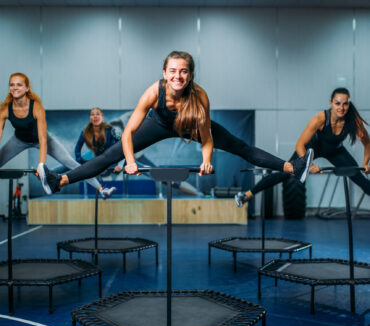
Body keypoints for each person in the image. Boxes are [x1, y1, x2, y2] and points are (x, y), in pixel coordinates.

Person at [41, 51, 313, 193]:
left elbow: (207, 137)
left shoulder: (200, 96)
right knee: (110, 156)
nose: (177, 76)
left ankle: (292, 168)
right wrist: (131, 160)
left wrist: (207, 160)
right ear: (164, 72)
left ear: (191, 74)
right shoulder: (153, 92)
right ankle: (59, 181)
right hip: (158, 123)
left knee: (239, 146)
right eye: (172, 71)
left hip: (190, 125)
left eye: (183, 71)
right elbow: (127, 135)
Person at [235, 87, 370, 207]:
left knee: (358, 176)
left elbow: (367, 143)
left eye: (345, 104)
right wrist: (309, 165)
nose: (341, 108)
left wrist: (365, 163)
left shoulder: (353, 120)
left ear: (349, 104)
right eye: (337, 103)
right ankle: (247, 195)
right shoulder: (320, 119)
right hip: (313, 148)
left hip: (336, 151)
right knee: (285, 172)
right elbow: (300, 144)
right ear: (331, 103)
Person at [0, 72, 115, 199]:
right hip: (19, 140)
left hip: (42, 139)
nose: (15, 87)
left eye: (19, 85)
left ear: (27, 88)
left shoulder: (36, 107)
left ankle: (102, 189)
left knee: (71, 163)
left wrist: (41, 165)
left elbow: (42, 138)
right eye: (12, 85)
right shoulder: (5, 109)